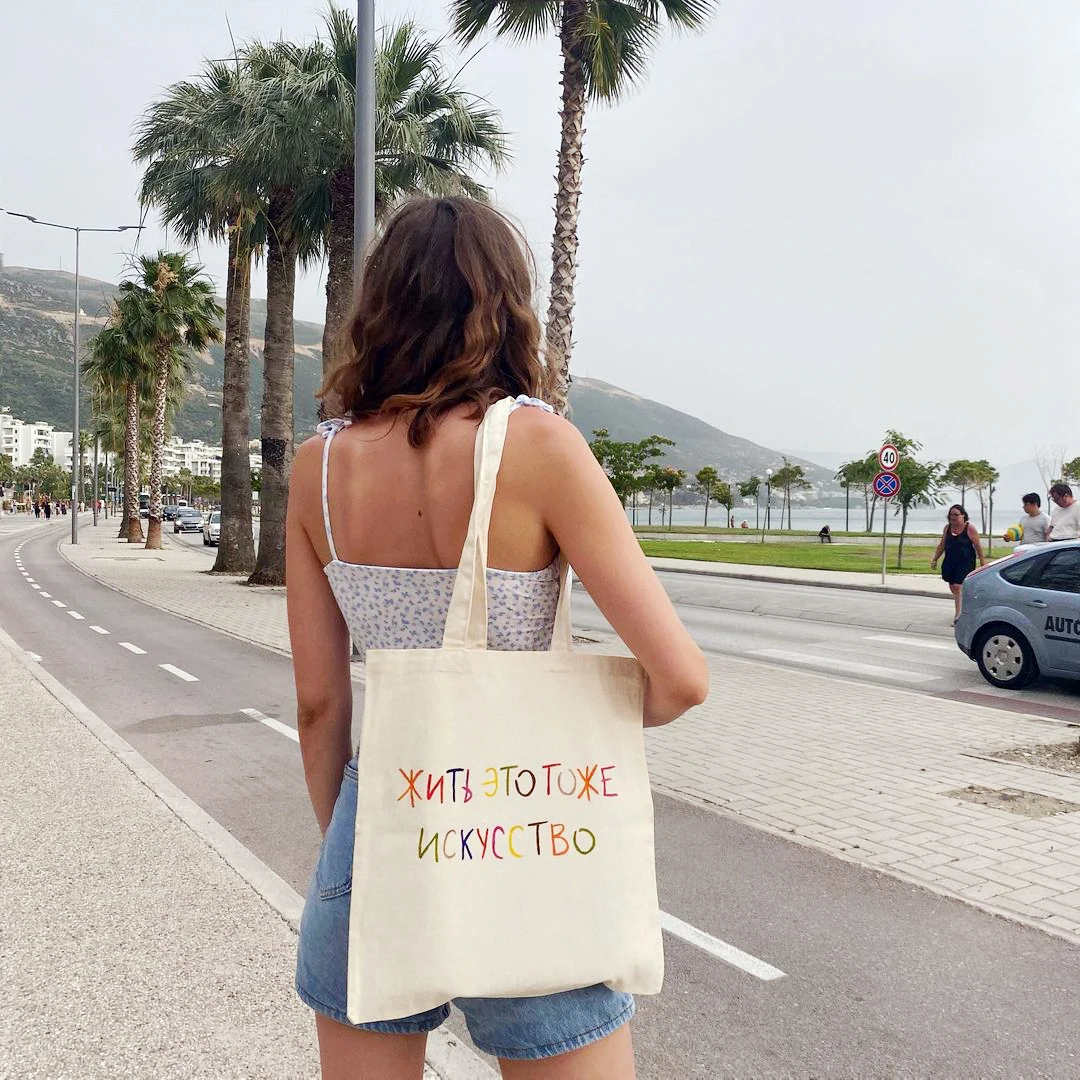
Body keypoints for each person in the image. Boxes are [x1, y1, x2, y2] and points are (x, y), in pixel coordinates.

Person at [285, 197, 708, 1080]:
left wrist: (368, 846)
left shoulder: (315, 468)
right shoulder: (539, 446)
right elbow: (679, 679)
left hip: (379, 829)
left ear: (380, 306)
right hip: (529, 824)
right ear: (504, 304)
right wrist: (564, 728)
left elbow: (321, 704)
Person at [931, 504, 986, 623]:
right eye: (951, 515)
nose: (953, 517)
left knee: (958, 586)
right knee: (953, 587)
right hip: (950, 561)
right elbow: (942, 545)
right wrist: (935, 559)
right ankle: (965, 606)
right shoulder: (947, 528)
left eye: (956, 514)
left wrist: (982, 562)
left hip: (965, 562)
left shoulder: (969, 528)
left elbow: (978, 547)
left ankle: (958, 616)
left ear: (963, 516)